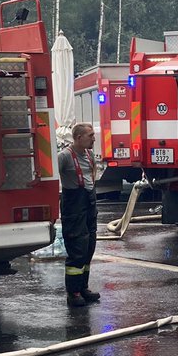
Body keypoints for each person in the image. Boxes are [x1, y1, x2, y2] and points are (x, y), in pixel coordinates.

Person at [59, 122, 100, 307]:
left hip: (89, 203)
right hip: (73, 205)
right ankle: (73, 292)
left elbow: (92, 174)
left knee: (89, 246)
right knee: (77, 248)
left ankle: (83, 287)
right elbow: (51, 176)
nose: (94, 138)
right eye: (90, 135)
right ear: (78, 138)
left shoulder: (89, 154)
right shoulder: (65, 157)